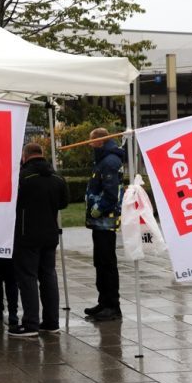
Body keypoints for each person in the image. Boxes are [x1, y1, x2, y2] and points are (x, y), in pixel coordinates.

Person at [8, 142, 68, 337]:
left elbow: (12, 202)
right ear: (42, 154)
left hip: (26, 234)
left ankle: (31, 323)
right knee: (48, 276)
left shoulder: (22, 177)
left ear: (24, 156)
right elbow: (64, 203)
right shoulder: (57, 177)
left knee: (28, 278)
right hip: (50, 233)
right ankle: (51, 322)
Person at [84, 127, 125, 322]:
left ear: (100, 140)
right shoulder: (103, 159)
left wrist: (99, 207)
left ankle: (112, 305)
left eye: (91, 141)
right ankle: (104, 301)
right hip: (100, 221)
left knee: (106, 262)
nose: (89, 144)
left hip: (105, 219)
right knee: (100, 261)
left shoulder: (109, 162)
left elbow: (111, 192)